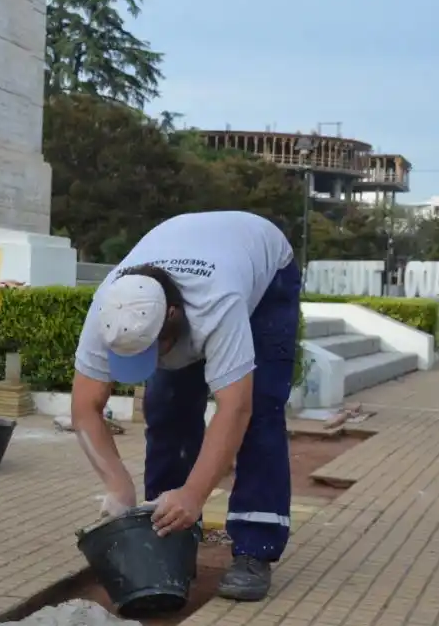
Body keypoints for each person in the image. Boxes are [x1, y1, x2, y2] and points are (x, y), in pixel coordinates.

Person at [72, 211, 301, 602]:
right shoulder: (110, 310)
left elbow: (235, 409)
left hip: (265, 265)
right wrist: (118, 486)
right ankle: (168, 534)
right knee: (167, 406)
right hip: (187, 244)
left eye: (153, 351)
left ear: (173, 318)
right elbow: (84, 410)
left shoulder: (217, 304)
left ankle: (255, 548)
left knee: (260, 409)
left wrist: (194, 494)